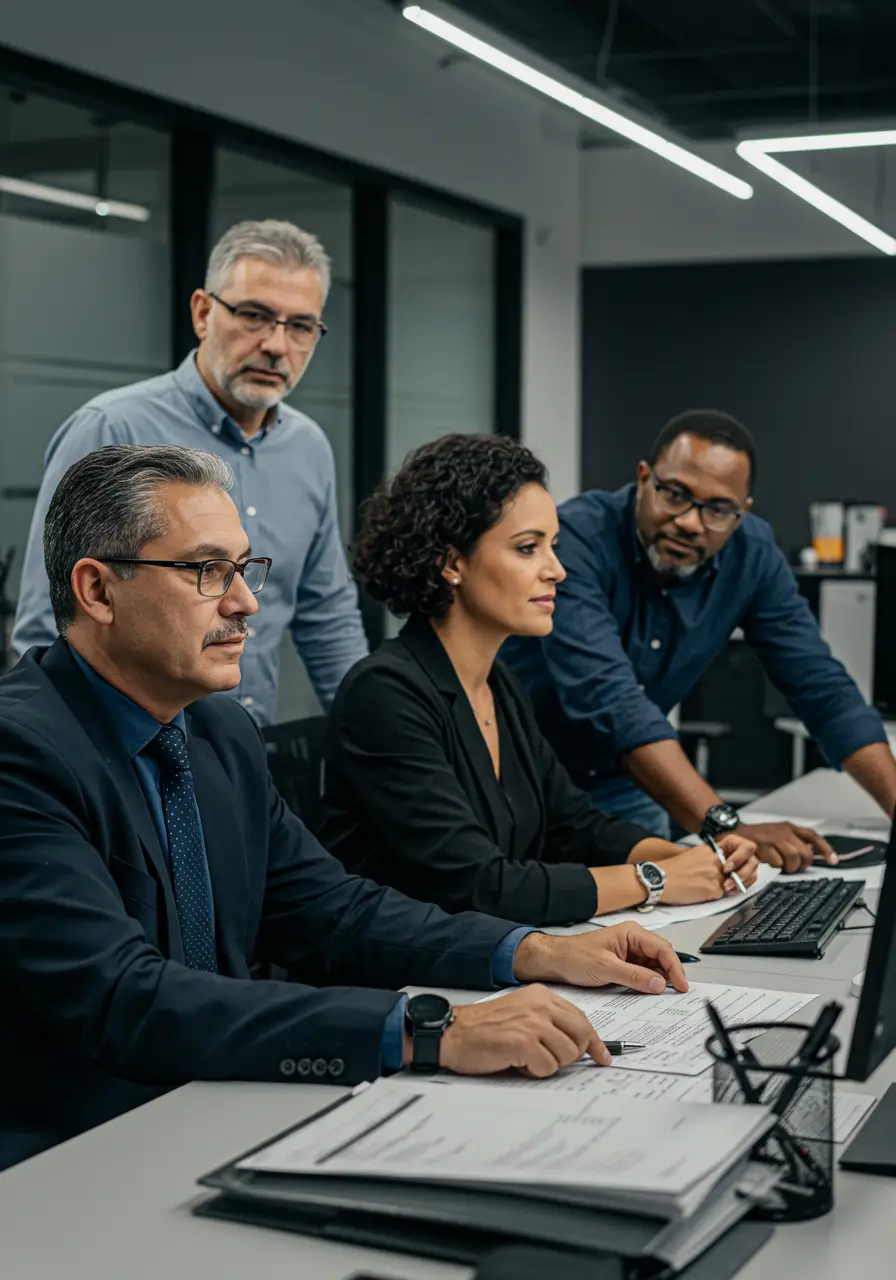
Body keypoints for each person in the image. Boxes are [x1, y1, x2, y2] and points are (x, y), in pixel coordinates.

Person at [0, 443, 689, 1171]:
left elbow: (337, 910)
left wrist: (531, 951)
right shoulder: (21, 750)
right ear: (98, 592)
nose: (245, 601)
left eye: (243, 569)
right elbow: (126, 999)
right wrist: (429, 1029)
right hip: (73, 1149)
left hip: (217, 1102)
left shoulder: (218, 730)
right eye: (207, 571)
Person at [319, 434, 757, 926]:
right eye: (528, 549)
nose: (557, 571)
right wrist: (655, 880)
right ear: (451, 562)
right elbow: (481, 885)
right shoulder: (384, 695)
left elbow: (574, 825)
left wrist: (692, 858)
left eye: (554, 547)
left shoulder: (498, 685)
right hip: (403, 986)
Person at [502, 410, 896, 871]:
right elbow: (610, 701)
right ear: (645, 478)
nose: (690, 522)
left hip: (625, 785)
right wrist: (727, 827)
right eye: (676, 495)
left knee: (670, 924)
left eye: (717, 509)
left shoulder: (752, 554)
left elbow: (821, 687)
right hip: (519, 781)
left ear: (741, 511)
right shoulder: (576, 539)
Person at [12, 218, 367, 722]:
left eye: (300, 326)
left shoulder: (309, 447)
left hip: (251, 755)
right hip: (134, 760)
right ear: (203, 313)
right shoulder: (112, 427)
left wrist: (375, 748)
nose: (275, 344)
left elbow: (328, 616)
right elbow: (51, 627)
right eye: (254, 315)